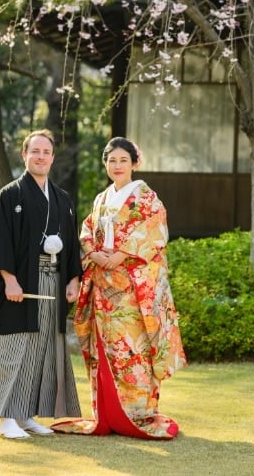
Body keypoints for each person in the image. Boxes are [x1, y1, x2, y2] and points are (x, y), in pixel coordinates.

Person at [52, 136, 186, 440]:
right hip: (103, 283)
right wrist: (95, 253)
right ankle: (107, 414)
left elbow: (153, 232)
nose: (117, 166)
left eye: (123, 160)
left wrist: (122, 255)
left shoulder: (146, 197)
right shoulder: (101, 199)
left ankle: (136, 413)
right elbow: (87, 231)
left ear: (135, 163)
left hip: (131, 288)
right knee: (105, 348)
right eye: (111, 160)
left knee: (132, 349)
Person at [0, 129, 82, 439]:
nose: (40, 156)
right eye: (34, 151)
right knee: (14, 347)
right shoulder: (10, 195)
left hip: (53, 282)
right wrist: (8, 280)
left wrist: (73, 278)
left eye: (46, 152)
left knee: (44, 349)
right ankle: (7, 417)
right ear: (24, 155)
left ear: (52, 157)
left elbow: (72, 244)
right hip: (21, 285)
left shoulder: (62, 199)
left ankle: (26, 415)